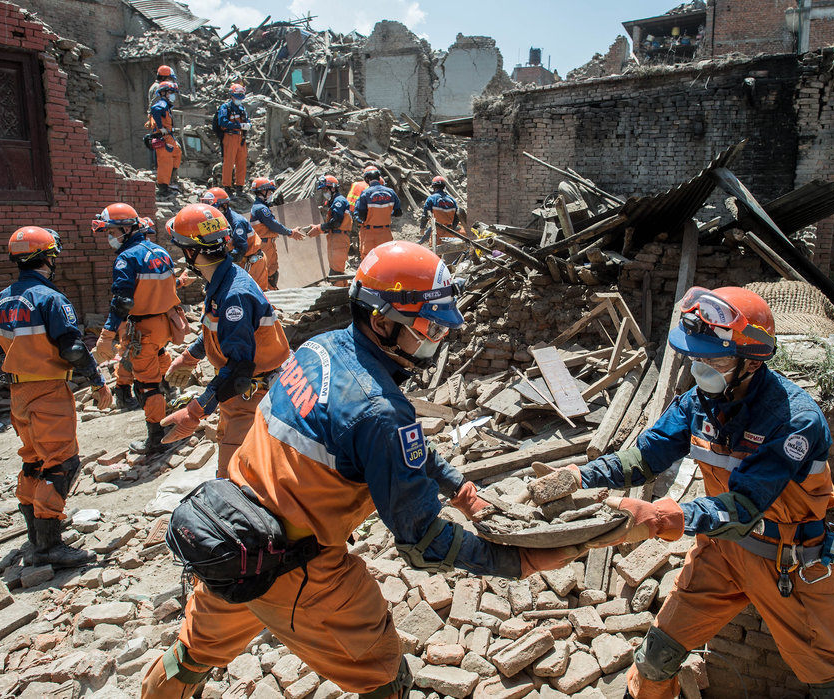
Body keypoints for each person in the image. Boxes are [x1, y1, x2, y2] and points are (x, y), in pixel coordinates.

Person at [140, 241, 580, 699]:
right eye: (430, 326)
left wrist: (458, 488)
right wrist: (518, 559)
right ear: (382, 320)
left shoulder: (319, 348)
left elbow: (389, 448)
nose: (439, 337)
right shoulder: (380, 411)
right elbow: (423, 543)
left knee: (189, 656)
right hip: (301, 572)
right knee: (383, 676)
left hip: (230, 536)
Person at [562, 286, 834, 699]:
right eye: (696, 357)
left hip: (790, 562)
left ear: (752, 360)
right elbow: (645, 457)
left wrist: (663, 518)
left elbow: (744, 505)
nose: (701, 367)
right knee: (655, 659)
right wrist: (581, 477)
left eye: (716, 358)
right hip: (722, 554)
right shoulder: (698, 403)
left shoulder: (794, 420)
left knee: (833, 689)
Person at [0, 227, 112, 568]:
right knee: (61, 463)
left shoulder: (0, 300)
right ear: (48, 258)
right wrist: (97, 382)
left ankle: (34, 534)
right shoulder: (50, 298)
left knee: (33, 460)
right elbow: (73, 349)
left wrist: (21, 352)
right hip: (49, 390)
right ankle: (49, 545)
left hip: (18, 392)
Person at [161, 203, 292, 476]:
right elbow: (218, 330)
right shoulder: (224, 280)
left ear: (191, 251)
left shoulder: (234, 295)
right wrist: (190, 357)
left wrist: (196, 411)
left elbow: (240, 370)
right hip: (238, 396)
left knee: (238, 481)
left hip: (252, 396)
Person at [91, 204, 182, 455]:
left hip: (145, 326)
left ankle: (156, 439)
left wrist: (108, 333)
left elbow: (122, 301)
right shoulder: (160, 251)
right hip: (165, 323)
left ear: (126, 228)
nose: (110, 237)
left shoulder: (126, 258)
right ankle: (167, 399)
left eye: (111, 231)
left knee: (146, 384)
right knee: (159, 359)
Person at [249, 177, 305, 290]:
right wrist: (291, 233)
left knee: (271, 273)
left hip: (268, 244)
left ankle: (272, 294)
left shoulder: (261, 207)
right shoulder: (261, 209)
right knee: (268, 274)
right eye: (269, 191)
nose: (270, 194)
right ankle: (269, 297)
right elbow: (273, 224)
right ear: (262, 191)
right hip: (265, 245)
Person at [353, 168, 401, 261]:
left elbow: (361, 215)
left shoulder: (366, 193)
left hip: (369, 232)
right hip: (385, 231)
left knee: (368, 259)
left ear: (367, 179)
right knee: (386, 258)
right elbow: (398, 212)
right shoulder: (391, 192)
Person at [313, 174, 352, 286]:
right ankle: (343, 297)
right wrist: (319, 228)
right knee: (337, 269)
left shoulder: (338, 201)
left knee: (336, 272)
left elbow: (336, 222)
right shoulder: (335, 201)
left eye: (326, 189)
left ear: (333, 188)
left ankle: (338, 299)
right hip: (335, 237)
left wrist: (320, 227)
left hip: (338, 239)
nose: (324, 192)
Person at [216, 84, 251, 198]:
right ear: (232, 95)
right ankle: (227, 187)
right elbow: (222, 122)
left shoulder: (242, 109)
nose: (239, 99)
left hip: (241, 138)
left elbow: (248, 121)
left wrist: (248, 125)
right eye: (237, 96)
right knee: (229, 163)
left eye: (241, 96)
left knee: (242, 163)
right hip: (230, 137)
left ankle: (240, 187)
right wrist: (238, 125)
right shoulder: (225, 107)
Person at [200, 187, 251, 264]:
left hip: (249, 262)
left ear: (224, 206)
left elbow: (240, 250)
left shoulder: (237, 222)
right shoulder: (217, 220)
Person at [149, 81, 182, 199]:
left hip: (169, 137)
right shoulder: (162, 103)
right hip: (163, 138)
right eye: (171, 92)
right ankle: (163, 188)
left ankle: (170, 181)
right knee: (165, 162)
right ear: (163, 93)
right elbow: (155, 109)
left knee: (177, 153)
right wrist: (161, 127)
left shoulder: (167, 106)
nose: (173, 95)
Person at [417, 176, 463, 248]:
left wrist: (422, 227)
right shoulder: (452, 200)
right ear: (444, 187)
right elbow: (457, 217)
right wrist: (452, 228)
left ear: (434, 187)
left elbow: (425, 216)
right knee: (447, 253)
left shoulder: (431, 199)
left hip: (437, 232)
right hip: (449, 231)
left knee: (435, 254)